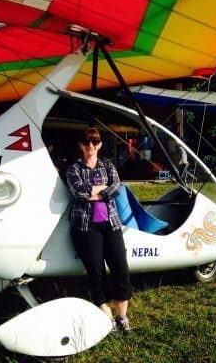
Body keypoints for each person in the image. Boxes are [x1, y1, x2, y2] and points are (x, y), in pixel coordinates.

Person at [65, 127, 132, 333]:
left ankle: (122, 317)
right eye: (86, 143)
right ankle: (108, 319)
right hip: (86, 226)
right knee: (96, 272)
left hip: (110, 223)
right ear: (80, 145)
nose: (90, 146)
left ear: (100, 144)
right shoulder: (73, 168)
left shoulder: (108, 165)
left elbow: (117, 186)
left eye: (94, 142)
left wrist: (96, 192)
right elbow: (80, 192)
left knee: (121, 268)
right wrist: (103, 190)